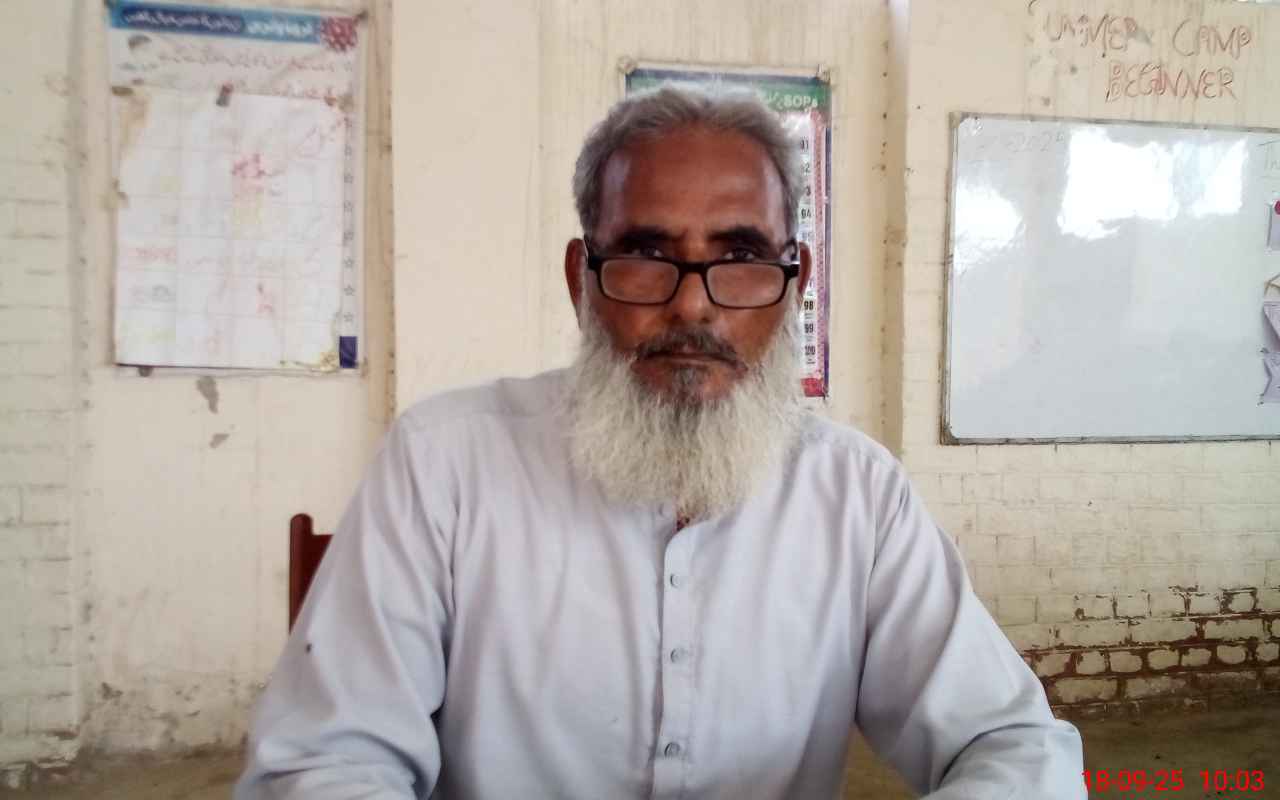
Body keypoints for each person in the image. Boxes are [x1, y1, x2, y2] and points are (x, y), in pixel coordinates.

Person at [236, 86, 1085, 799]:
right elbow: (323, 764)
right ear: (582, 280)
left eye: (741, 255)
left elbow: (1012, 746)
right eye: (646, 253)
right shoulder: (442, 465)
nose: (693, 304)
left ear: (793, 286)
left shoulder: (857, 496)